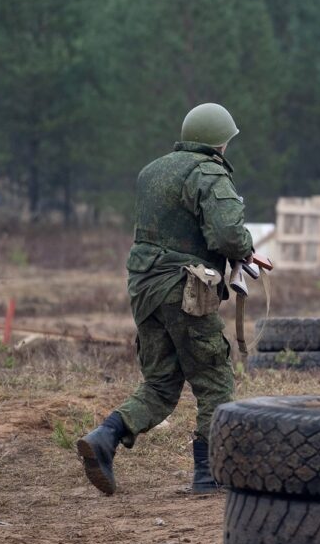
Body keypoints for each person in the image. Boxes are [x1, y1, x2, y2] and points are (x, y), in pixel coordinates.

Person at [77, 102, 253, 495]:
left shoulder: (152, 171)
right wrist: (246, 248)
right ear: (220, 142)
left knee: (161, 384)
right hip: (185, 289)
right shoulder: (209, 172)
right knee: (214, 380)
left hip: (145, 288)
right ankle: (209, 475)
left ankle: (105, 437)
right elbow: (226, 234)